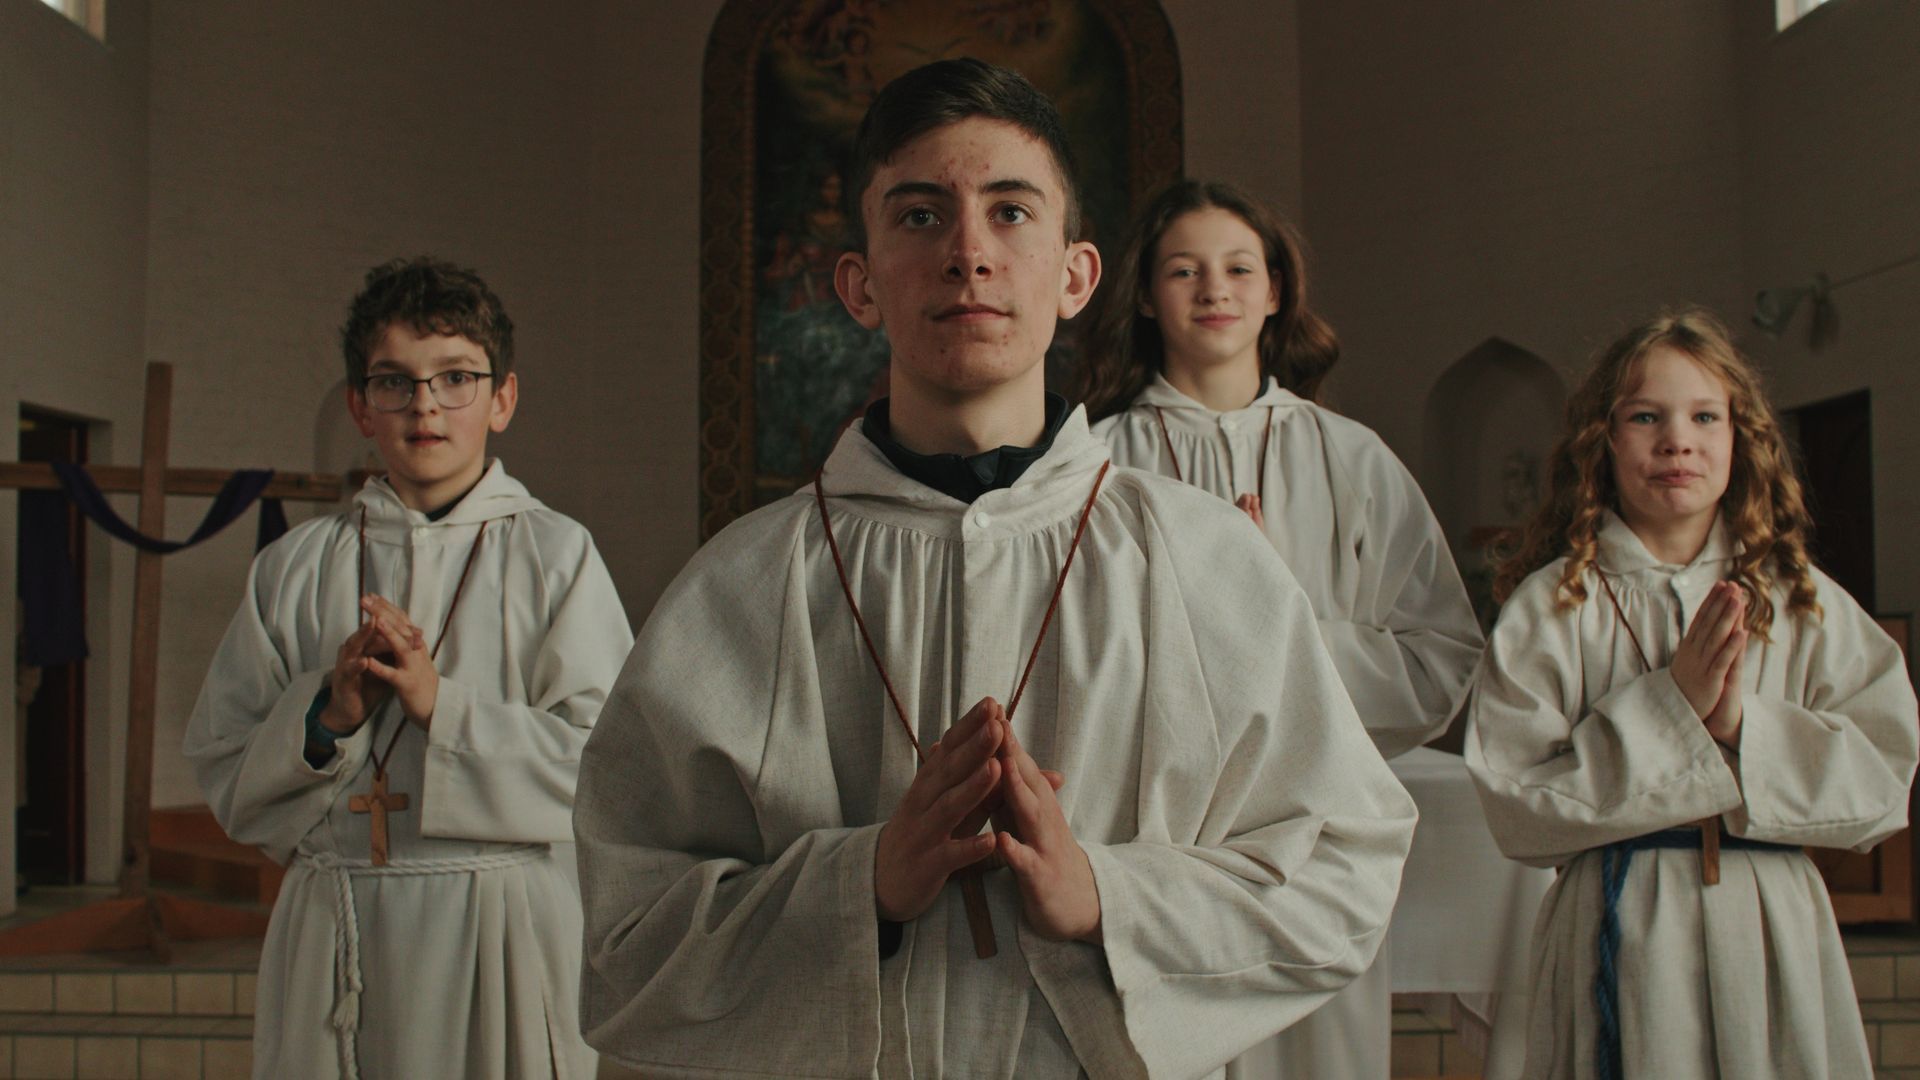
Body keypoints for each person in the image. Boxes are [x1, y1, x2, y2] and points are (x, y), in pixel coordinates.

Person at [573, 59, 1416, 1079]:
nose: (968, 253)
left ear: (1075, 277)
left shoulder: (1201, 560)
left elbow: (1346, 866)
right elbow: (627, 948)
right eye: (920, 216)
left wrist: (1105, 896)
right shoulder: (744, 585)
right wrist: (863, 886)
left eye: (1011, 212)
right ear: (858, 283)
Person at [183, 256, 633, 1079]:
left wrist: (443, 708)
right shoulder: (297, 566)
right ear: (360, 405)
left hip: (497, 925)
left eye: (455, 378)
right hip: (336, 922)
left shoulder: (556, 556)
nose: (424, 404)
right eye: (393, 382)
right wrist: (327, 718)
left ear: (502, 400)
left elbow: (615, 769)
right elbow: (222, 761)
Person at [1082, 179, 1485, 1080]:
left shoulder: (1353, 459)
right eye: (1183, 270)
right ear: (1147, 296)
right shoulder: (1095, 462)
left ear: (1275, 292)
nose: (1213, 289)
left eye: (1238, 268)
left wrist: (1282, 623)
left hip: (1317, 837)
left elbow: (1441, 656)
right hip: (1154, 833)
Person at [1466, 308, 1917, 1078]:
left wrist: (1742, 723)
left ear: (1740, 439)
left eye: (1705, 416)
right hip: (1616, 916)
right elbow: (1517, 806)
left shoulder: (1798, 598)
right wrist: (1670, 706)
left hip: (1766, 919)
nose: (1678, 440)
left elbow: (1883, 780)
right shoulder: (1554, 606)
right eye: (1646, 417)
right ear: (1602, 441)